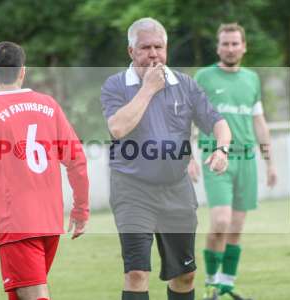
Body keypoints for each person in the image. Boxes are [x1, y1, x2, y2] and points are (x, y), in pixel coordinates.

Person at [100, 18, 231, 300]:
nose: (153, 53)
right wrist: (148, 89)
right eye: (145, 47)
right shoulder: (115, 85)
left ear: (166, 48)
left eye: (159, 46)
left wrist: (222, 149)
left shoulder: (185, 84)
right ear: (131, 51)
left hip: (176, 189)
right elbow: (118, 128)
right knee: (136, 273)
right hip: (132, 189)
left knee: (184, 275)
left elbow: (218, 123)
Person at [0, 41, 89, 300]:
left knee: (34, 293)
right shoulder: (49, 105)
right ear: (23, 71)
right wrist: (80, 209)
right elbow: (76, 160)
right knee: (20, 292)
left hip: (16, 221)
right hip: (50, 220)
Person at [189, 23, 278, 300]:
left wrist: (269, 162)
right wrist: (187, 156)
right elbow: (185, 118)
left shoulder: (252, 79)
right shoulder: (204, 76)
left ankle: (227, 285)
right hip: (216, 157)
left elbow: (259, 122)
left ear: (244, 46)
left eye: (235, 43)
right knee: (220, 222)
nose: (230, 48)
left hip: (247, 159)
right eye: (225, 44)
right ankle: (211, 284)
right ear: (218, 47)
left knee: (236, 227)